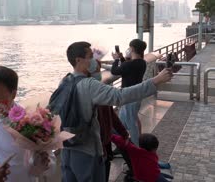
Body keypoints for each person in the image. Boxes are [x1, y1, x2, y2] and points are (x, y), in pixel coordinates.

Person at [57, 41, 172, 182]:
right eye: (90, 56)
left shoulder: (64, 81)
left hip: (67, 147)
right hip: (87, 150)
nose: (94, 60)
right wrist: (155, 81)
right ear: (78, 60)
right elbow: (120, 96)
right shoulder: (89, 85)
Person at [111, 39, 148, 146]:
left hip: (128, 96)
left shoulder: (130, 65)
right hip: (137, 95)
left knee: (131, 123)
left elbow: (115, 71)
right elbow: (126, 68)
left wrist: (116, 60)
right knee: (130, 120)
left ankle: (137, 147)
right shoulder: (142, 62)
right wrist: (121, 58)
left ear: (132, 48)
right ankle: (126, 143)